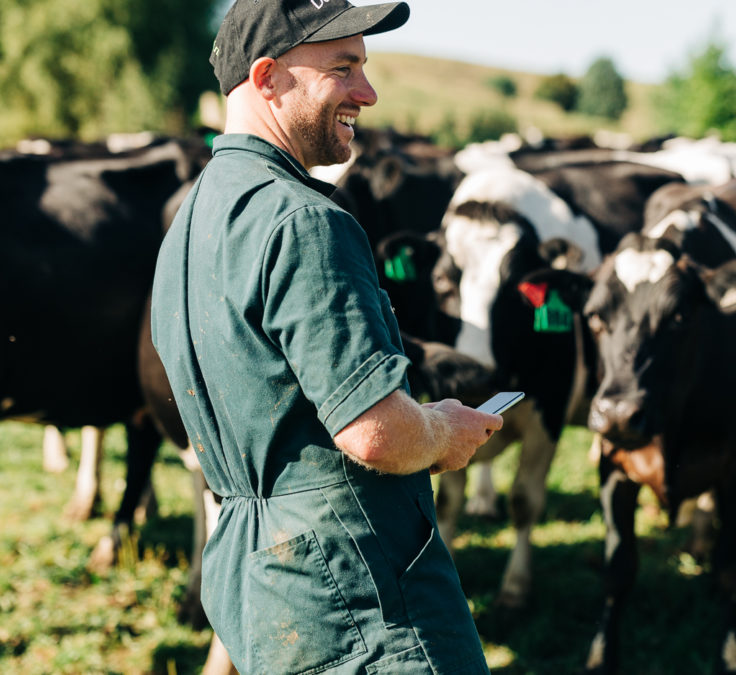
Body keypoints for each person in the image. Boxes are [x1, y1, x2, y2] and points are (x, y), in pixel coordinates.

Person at [150, 1, 503, 673]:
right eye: (343, 68)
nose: (368, 93)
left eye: (365, 68)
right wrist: (442, 431)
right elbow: (374, 432)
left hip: (255, 577)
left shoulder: (189, 224)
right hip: (359, 592)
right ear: (267, 78)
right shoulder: (307, 221)